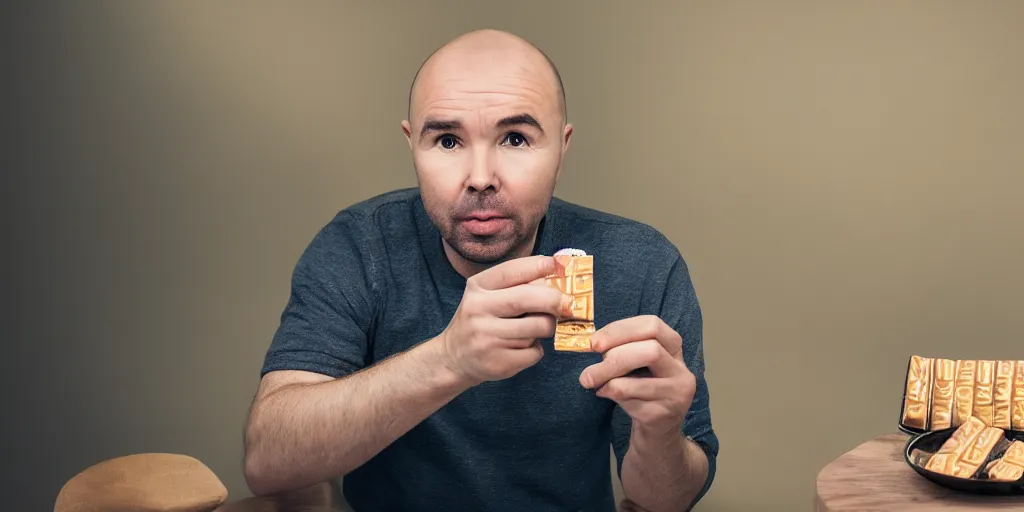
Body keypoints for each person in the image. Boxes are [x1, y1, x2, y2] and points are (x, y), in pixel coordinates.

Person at [242, 28, 719, 512]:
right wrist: (449, 359)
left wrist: (661, 434)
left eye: (515, 138)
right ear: (412, 145)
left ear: (562, 146)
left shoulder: (641, 264)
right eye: (448, 141)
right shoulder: (360, 246)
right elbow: (268, 462)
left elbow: (665, 500)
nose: (481, 177)